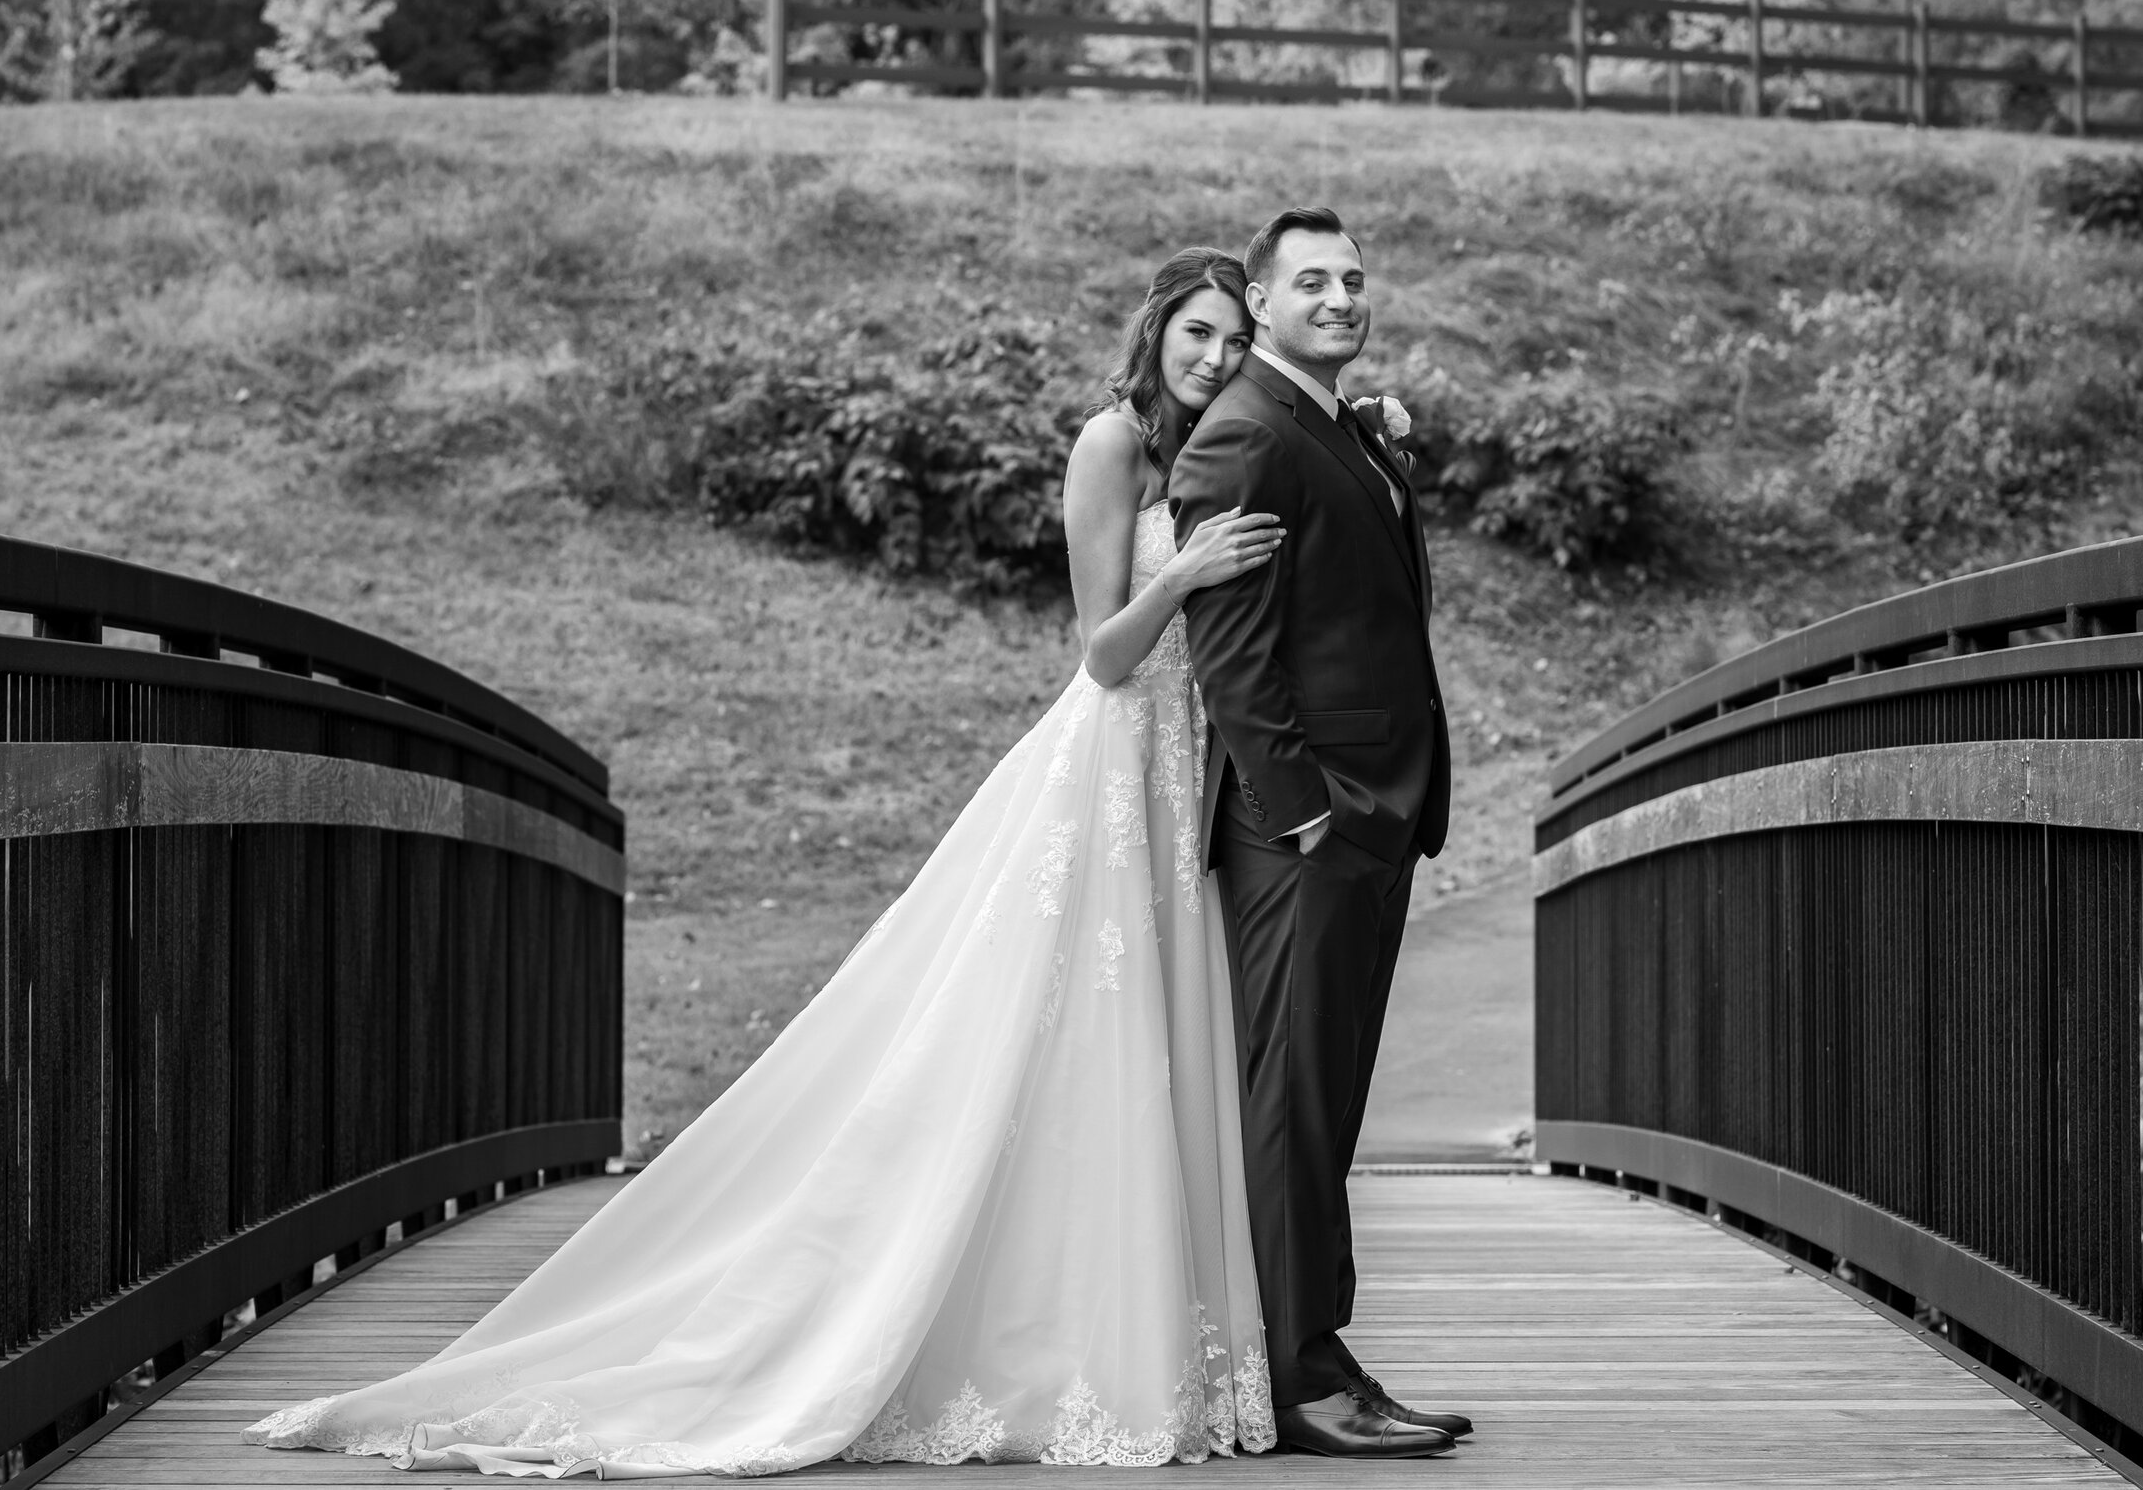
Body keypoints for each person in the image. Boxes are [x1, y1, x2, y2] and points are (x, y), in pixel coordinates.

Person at [241, 248, 1287, 1477]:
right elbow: (1101, 653)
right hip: (1111, 759)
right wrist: (1187, 572)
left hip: (1180, 776)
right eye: (1196, 336)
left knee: (1136, 1050)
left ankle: (1122, 1324)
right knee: (1048, 1036)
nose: (1214, 359)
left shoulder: (1226, 442)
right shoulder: (1109, 445)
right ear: (1158, 332)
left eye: (1229, 340)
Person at [1170, 208, 1462, 1460]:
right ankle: (1299, 1383)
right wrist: (1303, 820)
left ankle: (1322, 1350)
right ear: (1267, 303)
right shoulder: (1244, 434)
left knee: (1323, 1102)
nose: (1341, 297)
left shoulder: (1325, 426)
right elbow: (1229, 664)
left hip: (1366, 818)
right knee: (1293, 1103)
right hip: (1305, 830)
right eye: (1312, 282)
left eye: (1353, 278)